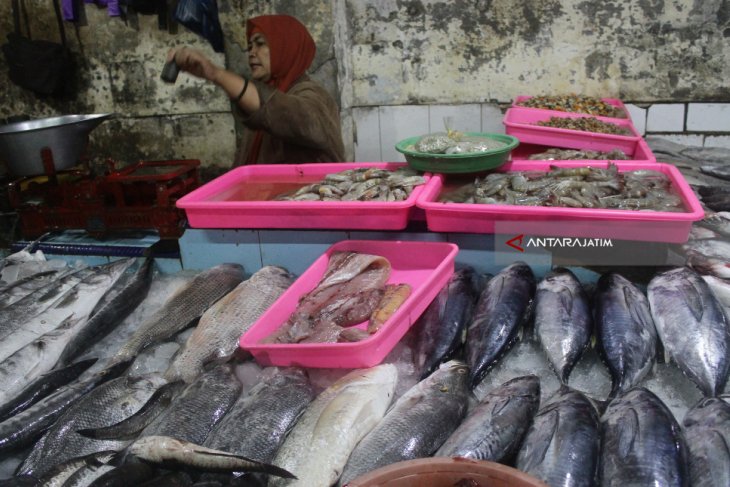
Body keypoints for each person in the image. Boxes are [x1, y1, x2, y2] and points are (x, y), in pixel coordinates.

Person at [167, 14, 345, 166]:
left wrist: (215, 74)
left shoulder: (313, 95)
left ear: (286, 48)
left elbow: (298, 120)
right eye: (250, 46)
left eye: (260, 44)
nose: (252, 52)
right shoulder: (257, 102)